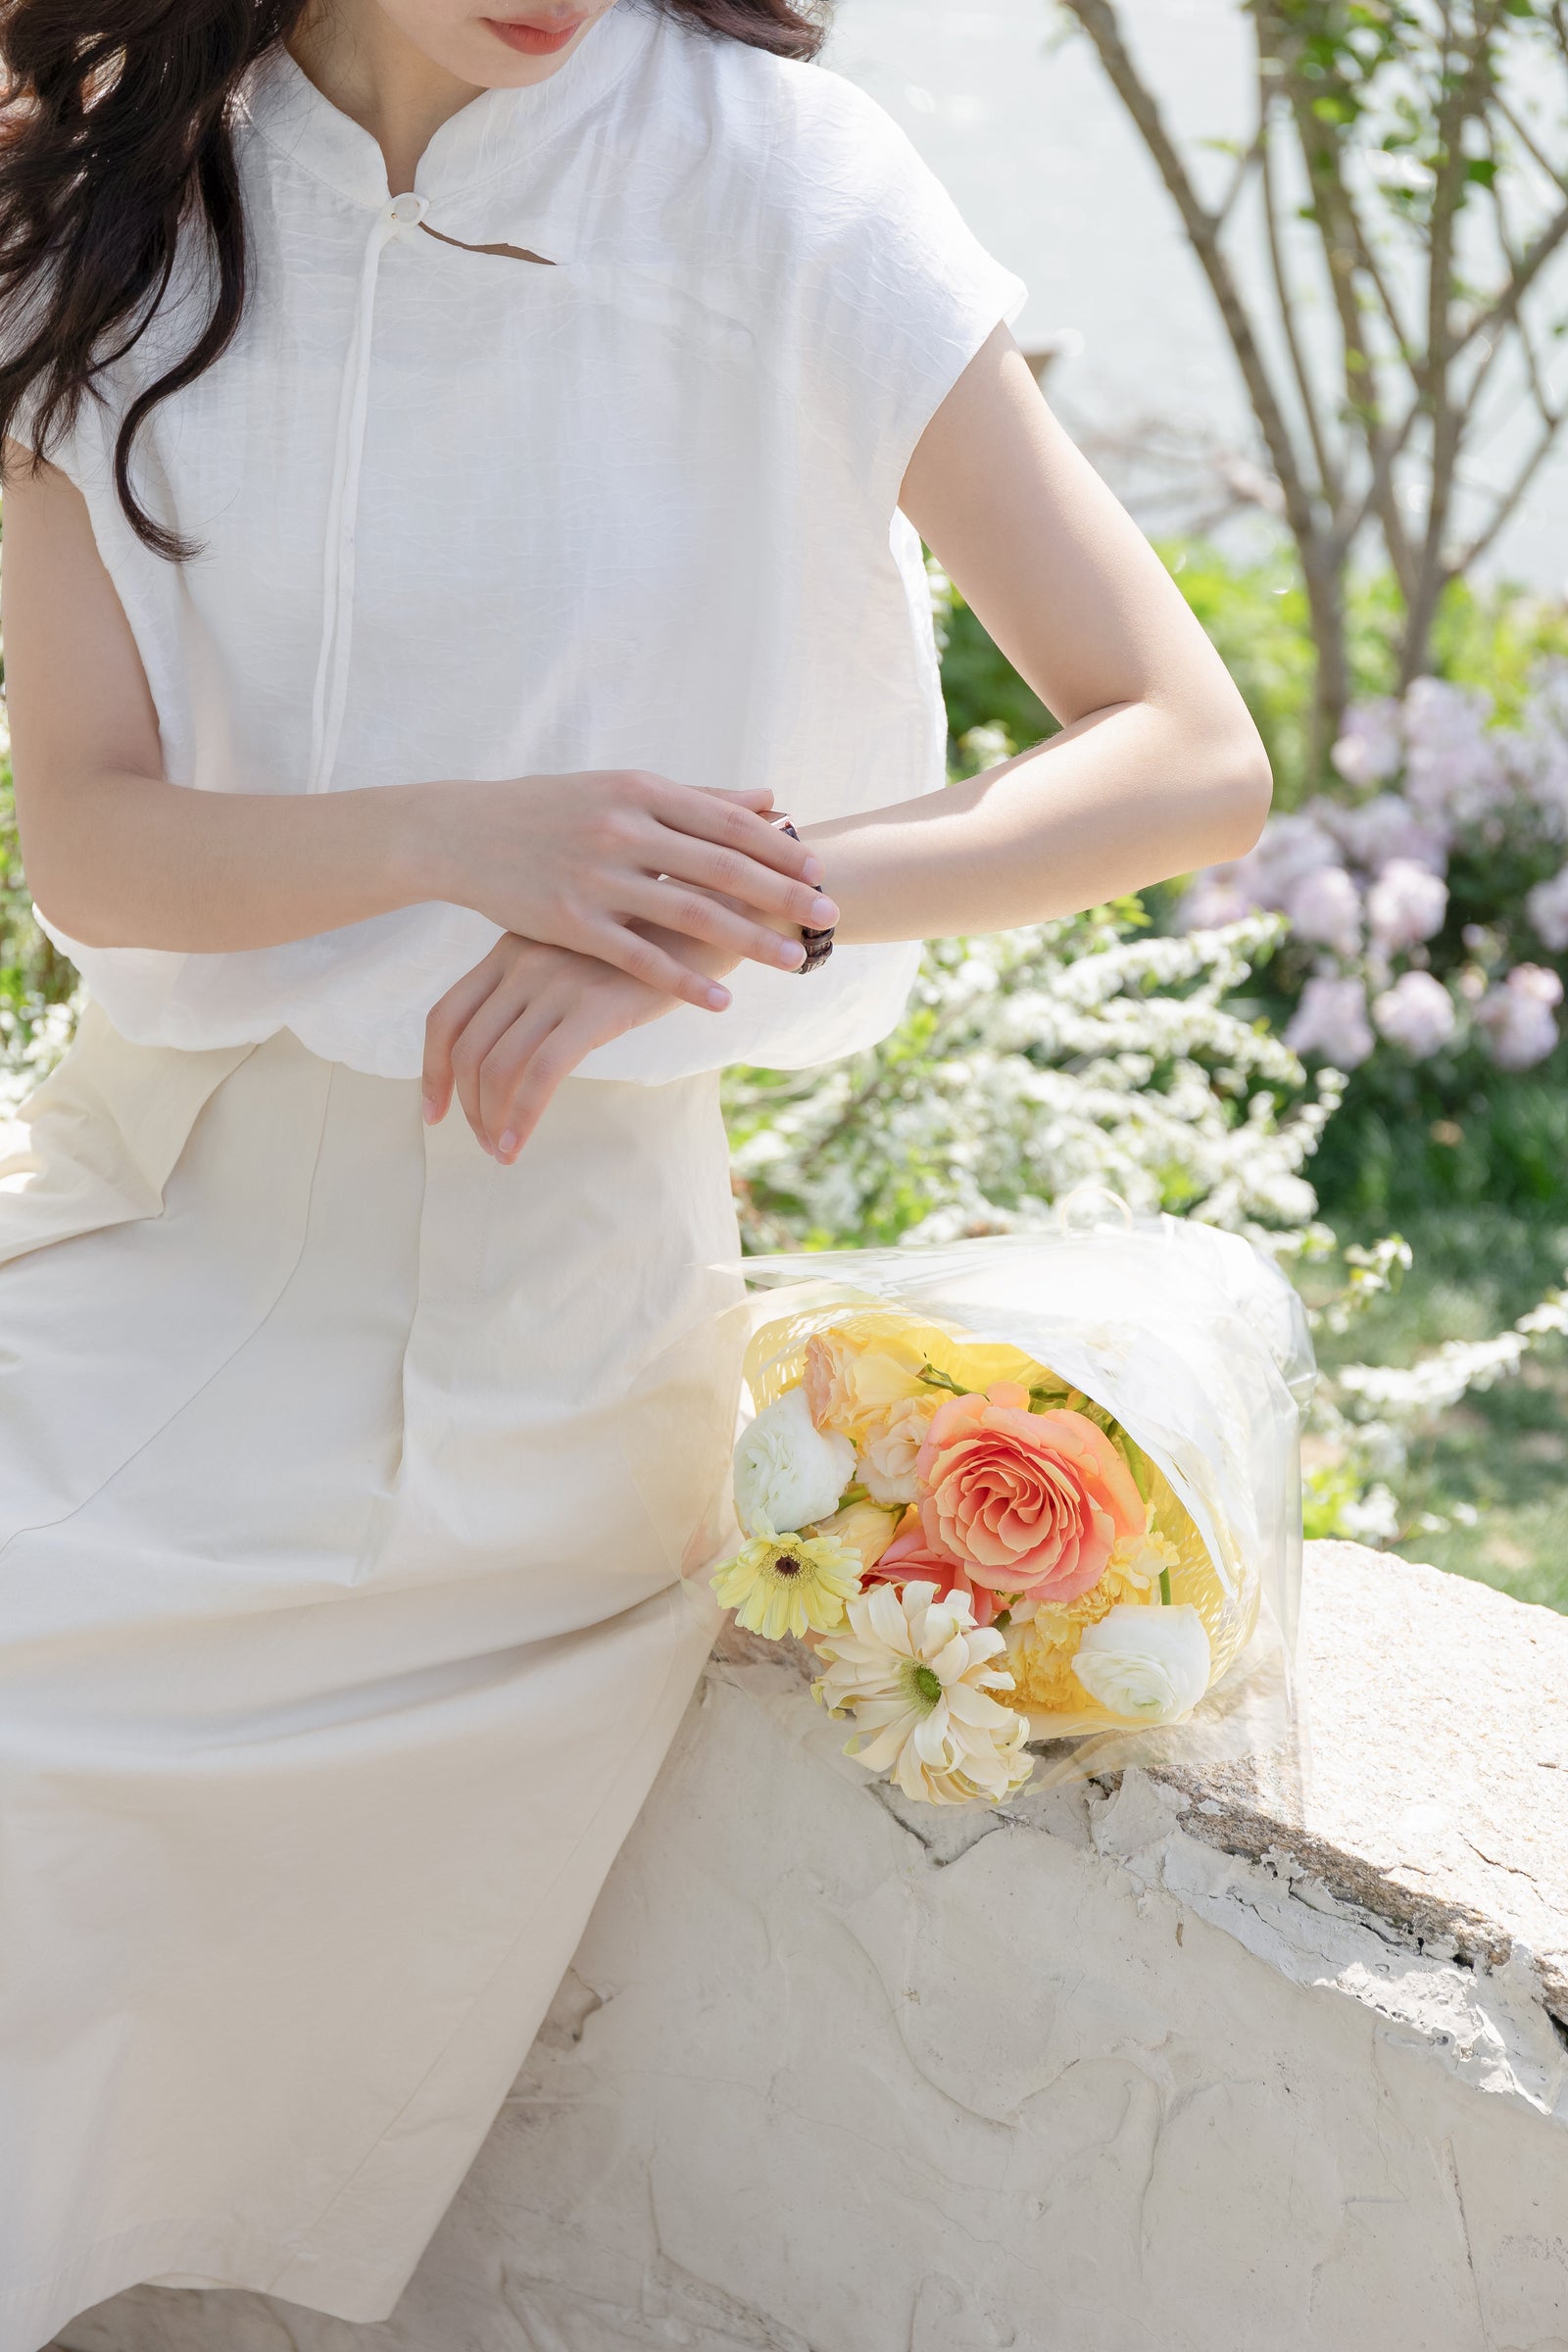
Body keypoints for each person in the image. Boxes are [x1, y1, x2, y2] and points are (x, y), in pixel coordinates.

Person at [0, 0, 1270, 2337]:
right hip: (118, 1218)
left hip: (511, 1353)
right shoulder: (88, 200)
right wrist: (469, 840)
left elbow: (1181, 749)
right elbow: (94, 839)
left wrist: (732, 904)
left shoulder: (783, 178)